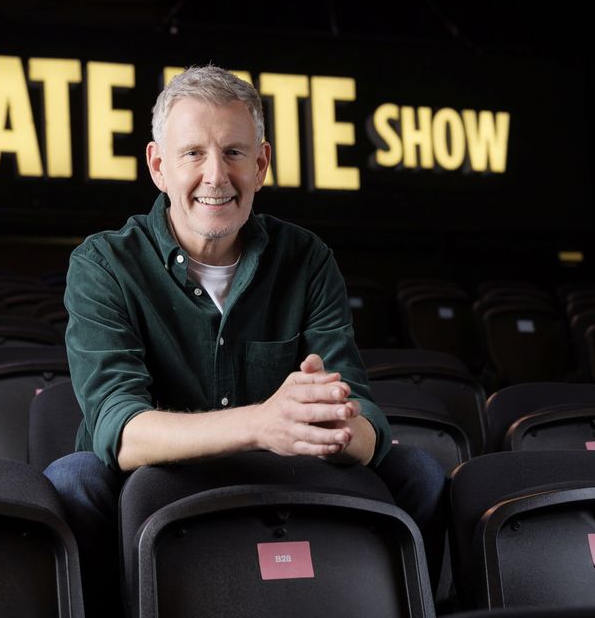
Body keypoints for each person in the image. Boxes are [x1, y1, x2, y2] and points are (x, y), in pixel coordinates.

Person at [46, 65, 447, 616]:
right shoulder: (104, 264)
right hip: (158, 481)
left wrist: (335, 425)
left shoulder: (307, 259)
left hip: (291, 471)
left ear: (261, 165)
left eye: (234, 153)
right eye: (193, 154)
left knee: (419, 472)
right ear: (158, 166)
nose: (216, 175)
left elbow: (366, 422)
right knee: (73, 480)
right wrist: (264, 423)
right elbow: (121, 432)